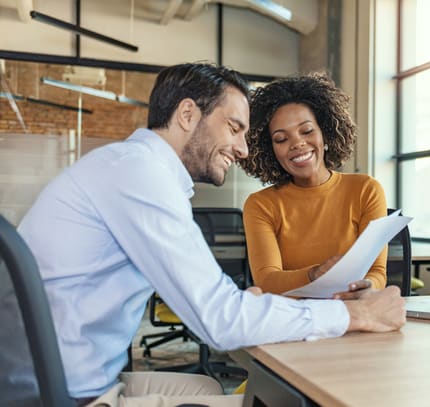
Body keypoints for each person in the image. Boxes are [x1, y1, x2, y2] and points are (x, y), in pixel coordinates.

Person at [17, 63, 405, 407]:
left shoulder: (134, 168)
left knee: (210, 389)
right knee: (276, 402)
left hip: (65, 377)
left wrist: (245, 302)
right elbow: (218, 321)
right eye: (234, 128)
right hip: (61, 394)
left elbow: (217, 303)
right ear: (188, 114)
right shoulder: (139, 176)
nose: (241, 148)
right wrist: (353, 314)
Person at [240, 72, 387, 299]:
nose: (297, 143)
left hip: (352, 312)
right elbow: (267, 281)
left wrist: (367, 287)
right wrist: (315, 274)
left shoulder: (366, 190)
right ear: (270, 150)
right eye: (281, 139)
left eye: (306, 131)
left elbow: (377, 272)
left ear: (325, 133)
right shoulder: (260, 204)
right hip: (292, 319)